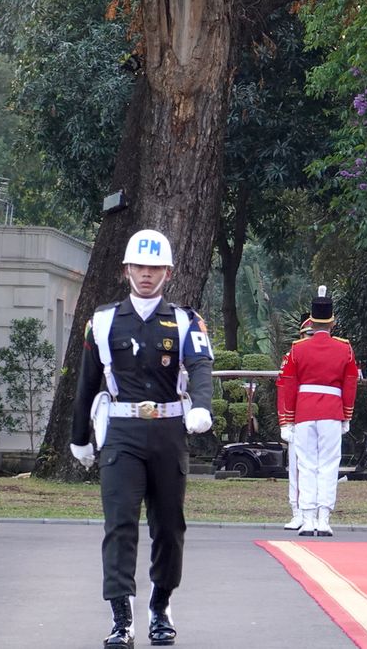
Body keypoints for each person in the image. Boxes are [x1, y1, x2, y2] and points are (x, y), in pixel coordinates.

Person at [69, 229, 215, 648]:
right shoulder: (102, 320)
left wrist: (201, 404)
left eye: (154, 268)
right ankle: (121, 617)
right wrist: (80, 438)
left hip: (169, 431)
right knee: (120, 526)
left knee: (169, 526)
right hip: (122, 433)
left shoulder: (186, 321)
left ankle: (160, 607)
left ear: (168, 272)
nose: (146, 274)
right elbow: (86, 385)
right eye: (139, 266)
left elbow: (201, 365)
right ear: (126, 270)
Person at [279, 287, 358, 536]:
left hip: (303, 412)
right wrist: (347, 414)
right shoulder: (344, 348)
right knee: (328, 464)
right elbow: (350, 383)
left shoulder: (298, 348)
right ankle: (324, 518)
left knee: (307, 465)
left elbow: (288, 384)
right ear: (332, 322)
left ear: (310, 322)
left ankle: (309, 518)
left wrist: (287, 420)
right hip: (332, 411)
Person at [277, 314, 313, 531]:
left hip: (320, 415)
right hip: (298, 416)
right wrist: (285, 422)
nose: (310, 338)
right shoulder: (292, 356)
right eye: (307, 335)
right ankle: (297, 511)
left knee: (319, 468)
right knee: (297, 468)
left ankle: (316, 512)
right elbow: (284, 390)